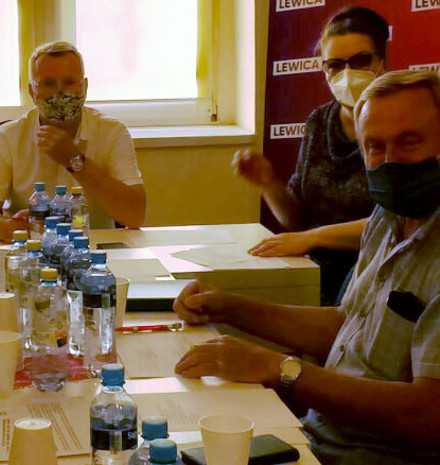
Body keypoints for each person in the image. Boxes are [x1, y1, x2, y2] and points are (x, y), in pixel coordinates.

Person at [176, 70, 440, 464]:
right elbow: (346, 325)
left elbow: (428, 415)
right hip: (317, 439)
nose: (390, 162)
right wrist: (227, 307)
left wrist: (279, 368)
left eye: (409, 142)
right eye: (374, 146)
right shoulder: (388, 217)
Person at [233, 7, 389, 305]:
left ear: (382, 61)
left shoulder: (401, 124)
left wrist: (311, 237)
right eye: (335, 65)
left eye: (360, 61)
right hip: (311, 271)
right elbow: (296, 220)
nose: (347, 73)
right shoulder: (319, 122)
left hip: (375, 274)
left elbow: (395, 225)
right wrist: (268, 184)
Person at [0, 41, 146, 241]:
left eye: (69, 83)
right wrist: (12, 228)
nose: (60, 93)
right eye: (48, 84)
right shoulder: (7, 137)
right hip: (31, 250)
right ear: (32, 92)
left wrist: (74, 160)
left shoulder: (112, 133)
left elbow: (135, 216)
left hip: (96, 249)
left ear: (84, 87)